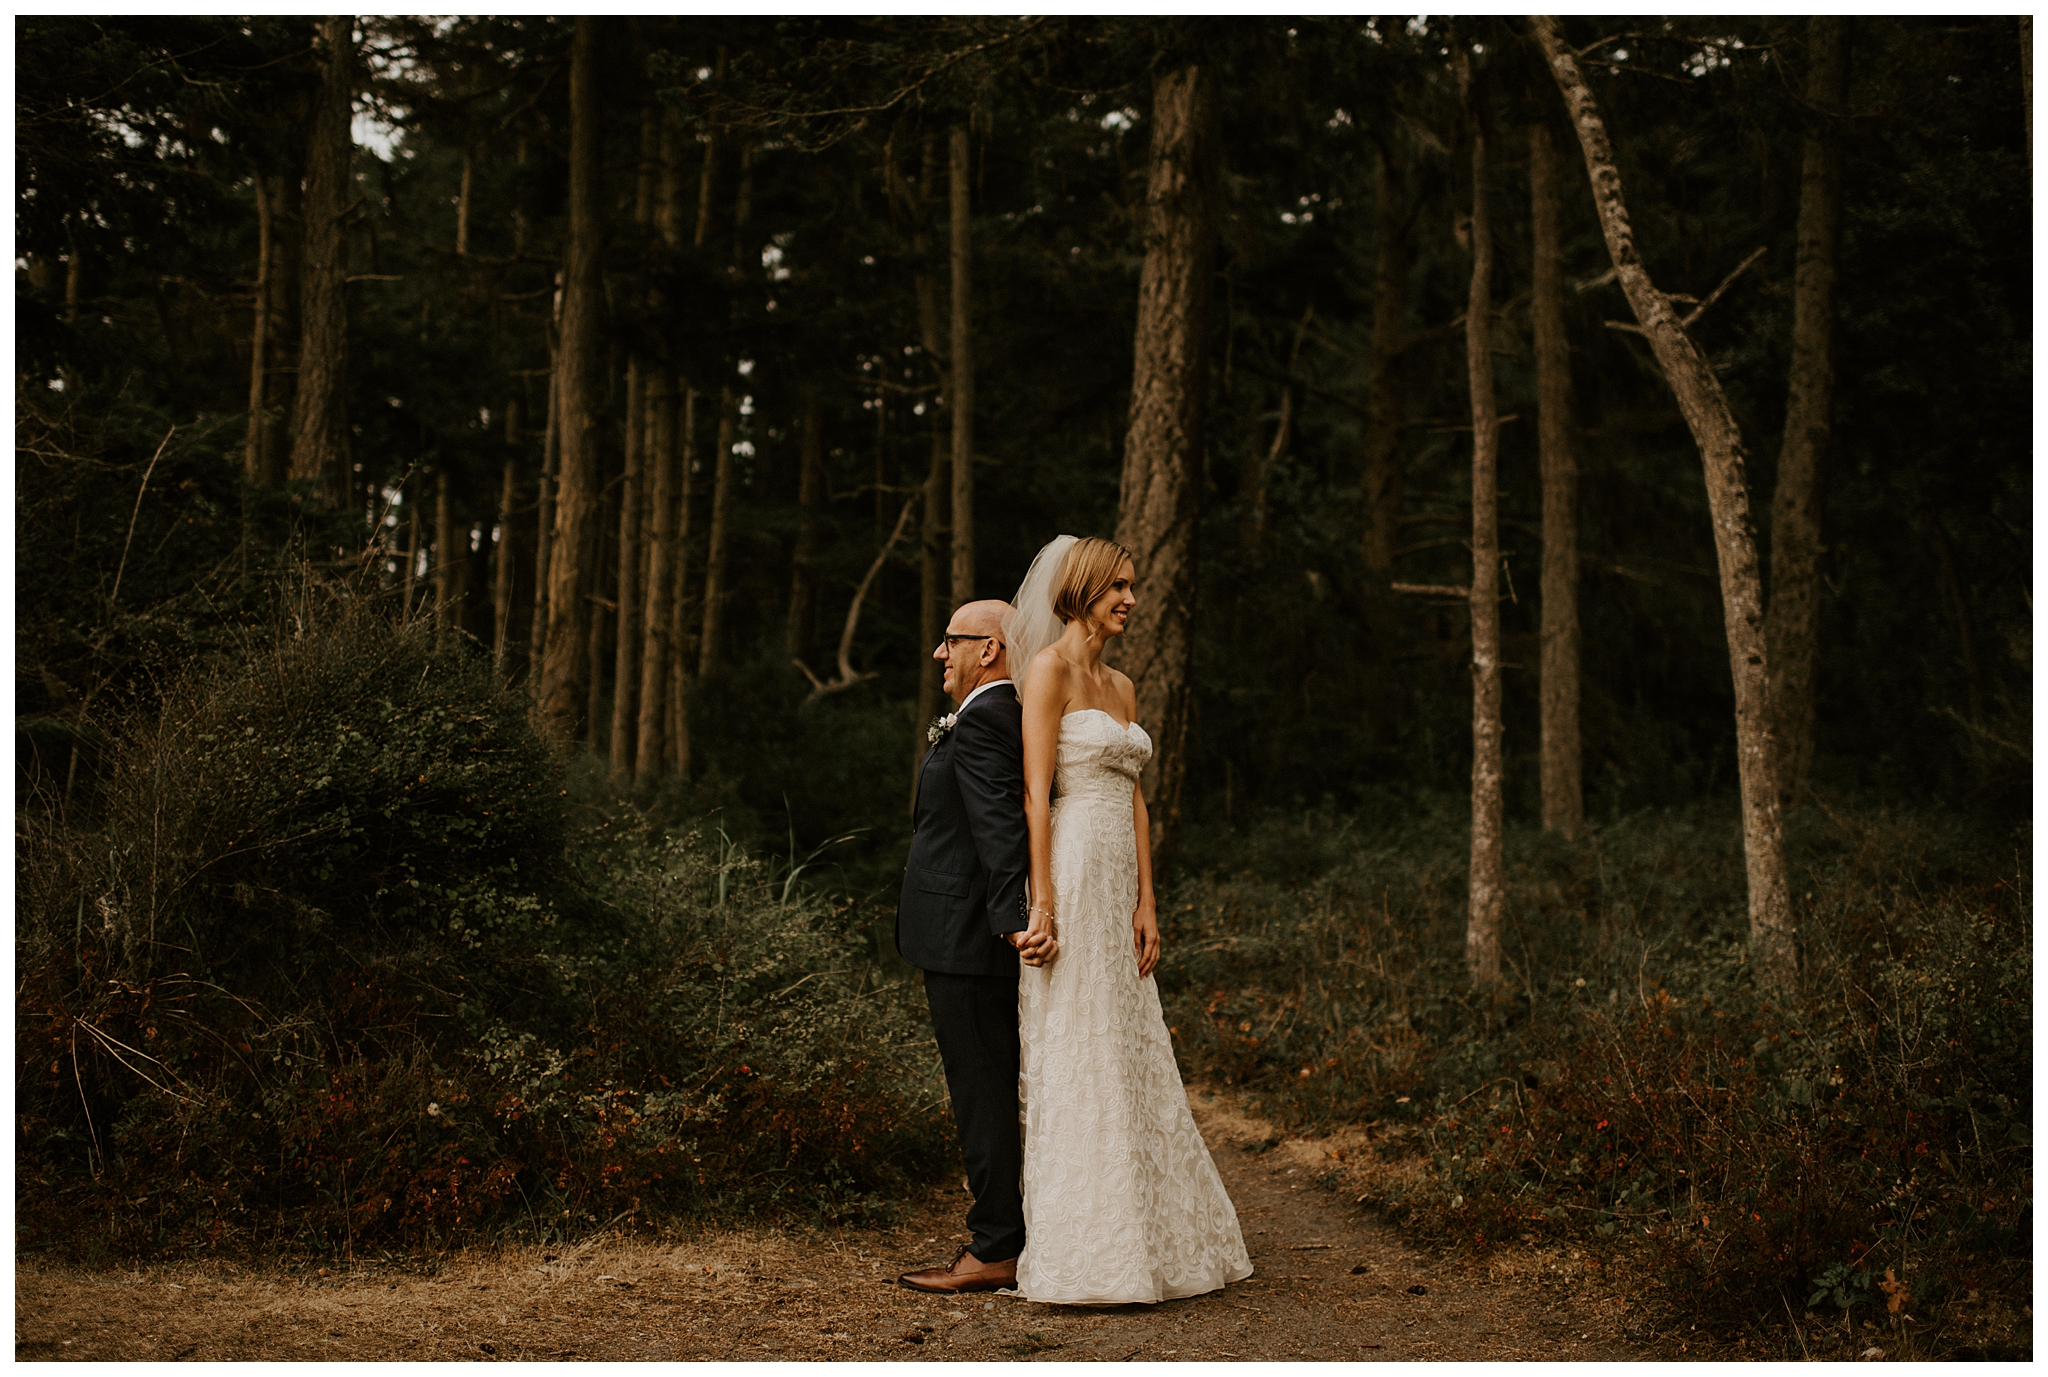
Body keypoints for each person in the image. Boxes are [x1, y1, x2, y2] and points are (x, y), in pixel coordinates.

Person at [1001, 535, 1253, 1304]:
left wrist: (1148, 899)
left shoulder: (1123, 684)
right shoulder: (1048, 671)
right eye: (1119, 587)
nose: (1131, 600)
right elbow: (1035, 794)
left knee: (1133, 1036)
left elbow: (1137, 795)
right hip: (1074, 867)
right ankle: (1090, 1244)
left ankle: (1154, 1234)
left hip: (1120, 878)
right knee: (1083, 1038)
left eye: (1133, 587)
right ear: (1081, 590)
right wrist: (1041, 903)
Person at [894, 599, 1057, 1296]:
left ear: (988, 649)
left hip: (970, 943)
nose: (940, 653)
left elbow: (1000, 825)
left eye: (951, 641)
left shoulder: (988, 716)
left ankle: (996, 1245)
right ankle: (1005, 1233)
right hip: (962, 934)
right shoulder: (989, 713)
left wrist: (1013, 919)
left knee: (982, 1092)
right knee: (986, 1087)